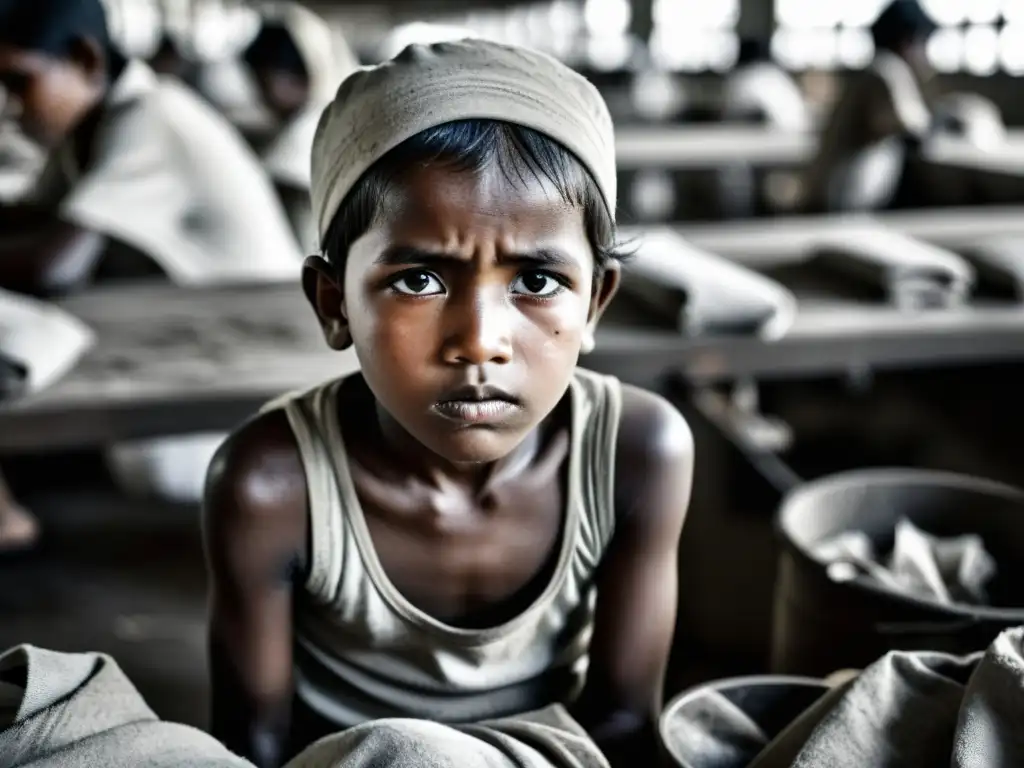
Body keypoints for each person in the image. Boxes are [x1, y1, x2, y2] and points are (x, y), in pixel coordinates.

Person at [204, 38, 694, 768]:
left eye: (535, 283)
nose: (479, 342)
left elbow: (621, 726)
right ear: (334, 304)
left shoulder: (636, 454)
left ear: (595, 303)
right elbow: (256, 746)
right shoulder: (273, 483)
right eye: (419, 281)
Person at [0, 0, 304, 536]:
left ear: (85, 60)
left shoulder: (152, 119)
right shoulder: (94, 126)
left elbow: (55, 264)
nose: (12, 108)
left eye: (20, 83)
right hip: (201, 358)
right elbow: (32, 216)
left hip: (243, 402)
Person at [800, 0, 937, 212]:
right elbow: (917, 130)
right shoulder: (888, 70)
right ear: (908, 42)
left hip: (831, 192)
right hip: (843, 200)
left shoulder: (871, 71)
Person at [242, 3, 358, 252]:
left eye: (265, 78)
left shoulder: (298, 144)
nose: (259, 91)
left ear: (304, 73)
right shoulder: (346, 120)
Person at [721, 39, 810, 132]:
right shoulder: (778, 75)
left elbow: (735, 115)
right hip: (797, 133)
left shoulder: (743, 77)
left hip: (773, 136)